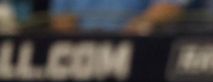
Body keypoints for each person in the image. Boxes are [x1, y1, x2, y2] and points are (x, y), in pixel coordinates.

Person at [50, 0, 187, 34]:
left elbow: (169, 6)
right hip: (82, 52)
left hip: (139, 47)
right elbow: (61, 21)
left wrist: (122, 41)